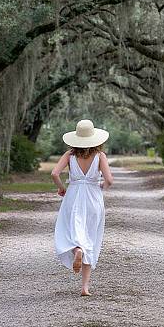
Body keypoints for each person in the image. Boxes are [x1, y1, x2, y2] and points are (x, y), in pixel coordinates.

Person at [52, 119, 114, 296]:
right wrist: (101, 187)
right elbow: (109, 180)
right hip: (93, 197)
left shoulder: (70, 156)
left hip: (73, 195)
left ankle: (76, 249)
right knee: (91, 237)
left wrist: (61, 188)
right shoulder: (100, 156)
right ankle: (85, 288)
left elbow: (54, 173)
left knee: (69, 230)